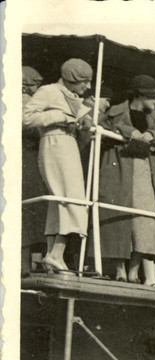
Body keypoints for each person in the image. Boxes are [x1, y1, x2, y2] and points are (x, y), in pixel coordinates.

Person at [98, 75, 155, 285]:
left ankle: (134, 270)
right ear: (141, 95)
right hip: (119, 170)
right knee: (119, 218)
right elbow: (102, 129)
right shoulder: (115, 113)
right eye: (154, 96)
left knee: (144, 221)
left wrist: (152, 135)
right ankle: (120, 269)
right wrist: (127, 131)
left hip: (144, 173)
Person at [22, 58, 96, 274]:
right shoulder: (49, 91)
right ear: (72, 78)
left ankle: (54, 254)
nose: (88, 87)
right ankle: (56, 253)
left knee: (63, 199)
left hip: (68, 144)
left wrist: (86, 123)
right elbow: (26, 118)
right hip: (54, 142)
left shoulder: (74, 98)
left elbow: (84, 121)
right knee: (70, 197)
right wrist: (60, 117)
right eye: (84, 81)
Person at [22, 66, 49, 274]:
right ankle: (30, 263)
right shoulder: (23, 100)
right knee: (31, 208)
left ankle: (31, 261)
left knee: (33, 209)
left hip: (30, 157)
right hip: (27, 156)